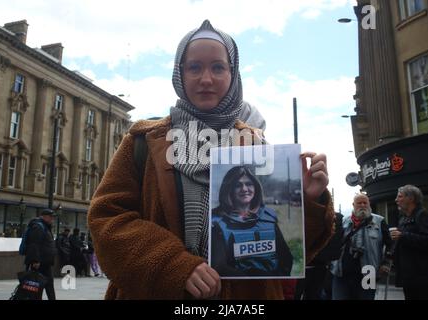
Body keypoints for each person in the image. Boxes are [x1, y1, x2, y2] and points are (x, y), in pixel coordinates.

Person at [88, 19, 334, 299]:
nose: (206, 79)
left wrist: (307, 201)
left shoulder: (256, 145)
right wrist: (175, 267)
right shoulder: (143, 141)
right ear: (180, 73)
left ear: (233, 73)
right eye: (194, 67)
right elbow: (106, 219)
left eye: (218, 67)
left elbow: (289, 252)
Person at [210, 165, 293, 277]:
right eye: (238, 185)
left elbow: (286, 259)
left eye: (249, 184)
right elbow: (219, 268)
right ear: (229, 189)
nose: (244, 189)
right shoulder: (216, 221)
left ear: (256, 187)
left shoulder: (269, 217)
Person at [330, 193, 392, 300]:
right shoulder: (344, 221)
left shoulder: (380, 221)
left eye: (365, 203)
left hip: (369, 273)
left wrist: (386, 263)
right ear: (353, 205)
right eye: (359, 203)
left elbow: (390, 245)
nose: (362, 205)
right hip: (341, 273)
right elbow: (333, 243)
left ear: (369, 204)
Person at [391, 185, 428, 300]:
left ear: (411, 199)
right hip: (408, 276)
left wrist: (402, 235)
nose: (396, 200)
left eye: (400, 196)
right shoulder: (403, 218)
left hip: (422, 277)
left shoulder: (423, 214)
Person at [294, 211, 344, 300]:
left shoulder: (335, 218)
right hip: (302, 266)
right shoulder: (297, 214)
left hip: (317, 266)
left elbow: (335, 243)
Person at [24, 208, 57, 300]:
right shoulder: (38, 227)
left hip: (45, 262)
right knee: (39, 286)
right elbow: (34, 244)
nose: (52, 219)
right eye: (51, 217)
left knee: (47, 284)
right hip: (39, 263)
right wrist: (35, 260)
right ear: (44, 217)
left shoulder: (45, 226)